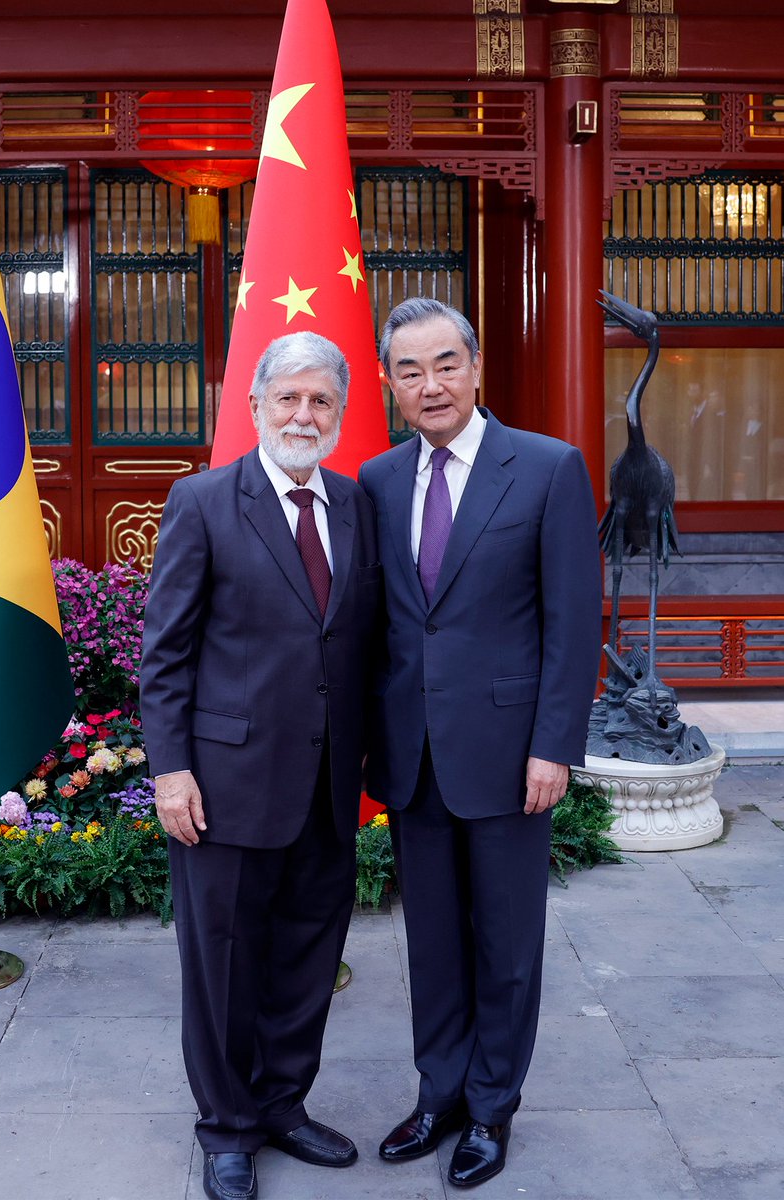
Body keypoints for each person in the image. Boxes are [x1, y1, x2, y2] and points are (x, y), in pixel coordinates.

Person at [359, 298, 601, 1188]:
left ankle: (492, 1110)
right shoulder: (377, 481)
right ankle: (440, 1094)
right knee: (430, 941)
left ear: (476, 368)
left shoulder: (544, 469)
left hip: (509, 755)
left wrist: (554, 745)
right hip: (412, 751)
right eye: (410, 371)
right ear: (389, 384)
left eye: (445, 364)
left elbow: (573, 624)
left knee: (505, 944)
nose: (431, 385)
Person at [140, 331, 381, 1200]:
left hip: (325, 789)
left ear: (340, 413)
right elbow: (164, 655)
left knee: (308, 960)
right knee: (224, 963)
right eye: (287, 398)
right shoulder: (202, 503)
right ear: (254, 409)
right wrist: (171, 771)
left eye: (320, 401)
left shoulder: (355, 505)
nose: (303, 415)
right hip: (224, 788)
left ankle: (283, 1103)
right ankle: (227, 1127)